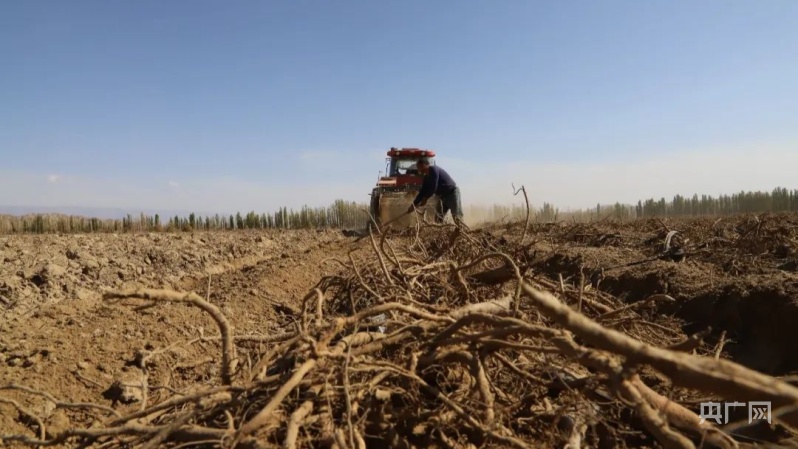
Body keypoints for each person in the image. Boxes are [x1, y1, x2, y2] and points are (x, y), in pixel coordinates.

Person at [406, 158, 464, 224]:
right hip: (442, 197)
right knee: (438, 219)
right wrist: (413, 205)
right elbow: (422, 192)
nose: (418, 169)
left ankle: (462, 230)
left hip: (452, 193)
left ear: (424, 165)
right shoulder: (426, 177)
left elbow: (433, 187)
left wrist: (425, 198)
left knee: (457, 216)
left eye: (419, 167)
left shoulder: (433, 169)